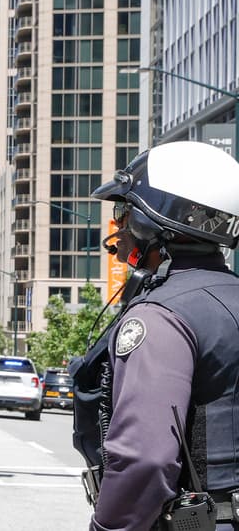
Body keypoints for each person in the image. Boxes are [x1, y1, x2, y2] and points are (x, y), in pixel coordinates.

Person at [71, 140, 239, 531]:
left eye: (124, 212)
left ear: (154, 221)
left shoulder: (161, 316)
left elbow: (145, 458)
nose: (119, 228)